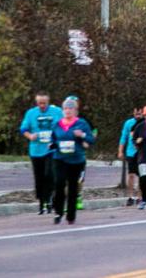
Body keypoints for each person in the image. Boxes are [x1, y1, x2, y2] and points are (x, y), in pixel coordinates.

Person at [48, 96, 95, 224]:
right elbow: (53, 139)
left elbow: (91, 139)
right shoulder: (57, 124)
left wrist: (82, 135)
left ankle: (71, 215)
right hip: (60, 158)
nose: (68, 111)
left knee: (73, 187)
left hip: (76, 160)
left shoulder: (81, 123)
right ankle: (58, 212)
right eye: (65, 108)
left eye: (70, 108)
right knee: (59, 183)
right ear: (62, 110)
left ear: (75, 111)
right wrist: (52, 144)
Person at [18, 91, 62, 215]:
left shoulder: (57, 112)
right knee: (39, 177)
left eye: (44, 103)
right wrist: (30, 136)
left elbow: (64, 125)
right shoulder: (31, 113)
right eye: (39, 103)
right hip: (36, 150)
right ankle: (42, 202)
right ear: (36, 102)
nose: (42, 105)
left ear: (48, 102)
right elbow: (23, 129)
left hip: (51, 150)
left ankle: (50, 200)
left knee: (50, 174)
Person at [117, 106, 141, 207]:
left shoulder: (145, 123)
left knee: (142, 175)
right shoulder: (128, 123)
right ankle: (130, 196)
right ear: (133, 112)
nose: (138, 115)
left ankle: (140, 197)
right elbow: (123, 137)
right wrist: (120, 151)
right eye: (136, 113)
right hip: (131, 152)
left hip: (142, 153)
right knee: (131, 174)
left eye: (140, 113)